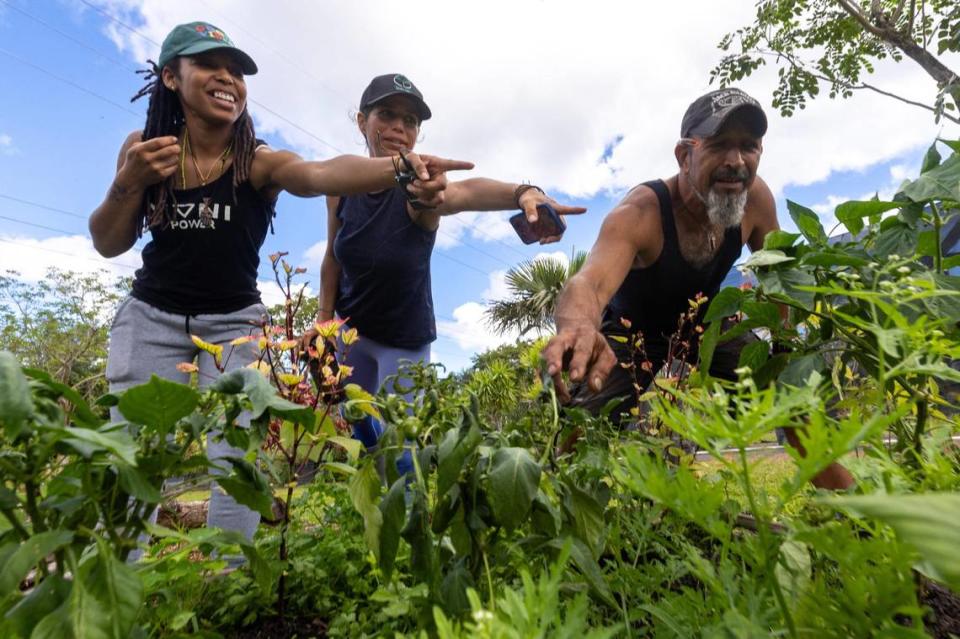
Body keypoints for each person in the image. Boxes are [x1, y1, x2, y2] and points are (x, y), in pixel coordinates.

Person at [89, 23, 471, 547]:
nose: (228, 78)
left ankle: (231, 578)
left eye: (237, 71)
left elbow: (317, 175)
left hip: (234, 325)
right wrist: (127, 182)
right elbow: (108, 242)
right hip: (149, 317)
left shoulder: (258, 160)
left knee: (236, 455)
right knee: (128, 455)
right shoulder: (144, 149)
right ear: (172, 78)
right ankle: (113, 587)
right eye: (209, 66)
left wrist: (401, 169)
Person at [541, 88, 854, 490]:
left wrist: (784, 348)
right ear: (684, 155)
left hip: (706, 324)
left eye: (749, 147)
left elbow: (778, 277)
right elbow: (590, 282)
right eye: (719, 146)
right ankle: (557, 504)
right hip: (634, 329)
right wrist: (579, 327)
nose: (735, 162)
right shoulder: (641, 212)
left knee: (791, 400)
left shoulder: (756, 200)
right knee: (578, 425)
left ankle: (854, 516)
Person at [304, 73, 586, 459]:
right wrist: (323, 320)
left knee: (402, 453)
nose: (399, 128)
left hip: (403, 341)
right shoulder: (342, 187)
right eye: (386, 114)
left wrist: (522, 192)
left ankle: (407, 511)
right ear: (361, 121)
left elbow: (465, 192)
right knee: (358, 429)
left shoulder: (421, 189)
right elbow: (333, 258)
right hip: (351, 334)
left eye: (411, 121)